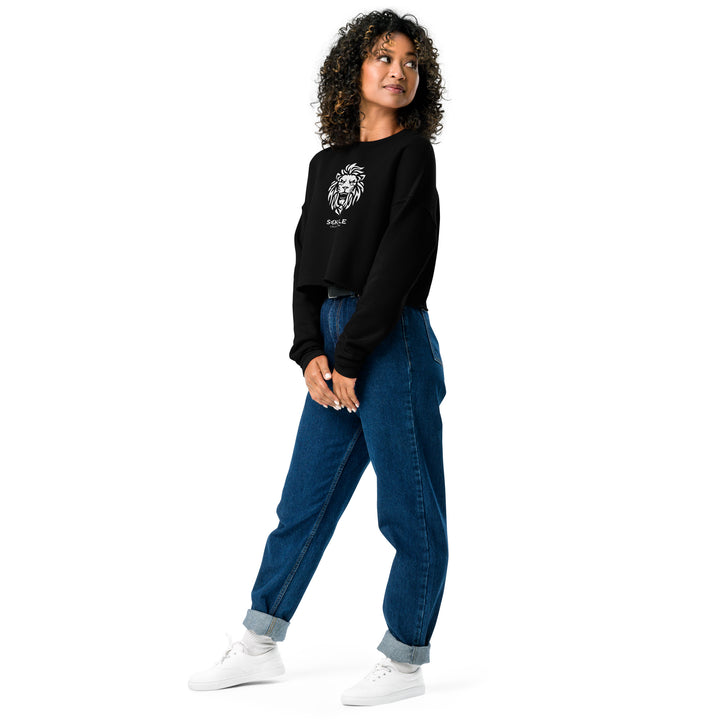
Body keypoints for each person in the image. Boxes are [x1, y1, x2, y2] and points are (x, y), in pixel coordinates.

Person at [188, 9, 448, 706]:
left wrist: (354, 352)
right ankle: (259, 640)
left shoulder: (412, 155)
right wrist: (310, 352)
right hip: (335, 340)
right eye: (384, 57)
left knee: (409, 506)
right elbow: (307, 264)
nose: (399, 71)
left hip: (390, 339)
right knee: (304, 499)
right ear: (352, 69)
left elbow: (400, 260)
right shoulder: (325, 165)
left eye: (411, 63)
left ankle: (405, 658)